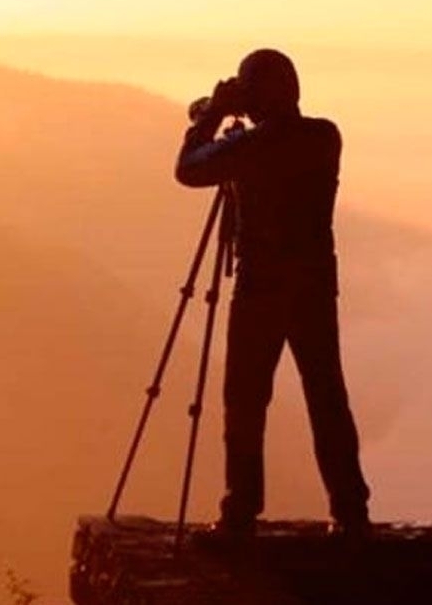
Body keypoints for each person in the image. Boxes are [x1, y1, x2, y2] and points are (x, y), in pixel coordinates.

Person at [174, 49, 371, 537]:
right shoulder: (325, 136)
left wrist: (214, 114)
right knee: (327, 397)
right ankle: (351, 511)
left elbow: (189, 169)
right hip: (316, 287)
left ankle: (240, 511)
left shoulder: (252, 148)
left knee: (244, 400)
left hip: (261, 287)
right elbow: (273, 147)